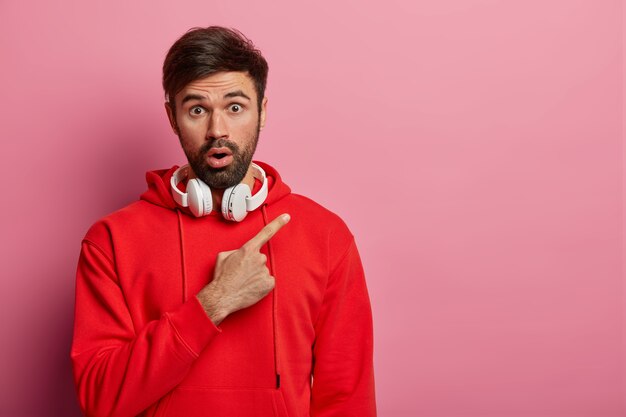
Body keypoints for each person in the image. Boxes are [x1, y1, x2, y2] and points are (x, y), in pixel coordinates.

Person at [70, 26, 376, 417]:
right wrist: (213, 303)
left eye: (235, 107)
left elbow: (348, 401)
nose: (218, 130)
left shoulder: (326, 235)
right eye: (197, 109)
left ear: (262, 111)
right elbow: (100, 400)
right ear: (172, 117)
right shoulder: (111, 240)